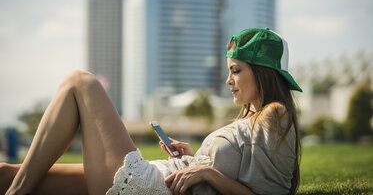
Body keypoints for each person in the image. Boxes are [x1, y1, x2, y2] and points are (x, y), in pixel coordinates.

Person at [0, 28, 302, 195]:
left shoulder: (277, 115)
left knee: (80, 82)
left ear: (263, 73)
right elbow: (235, 170)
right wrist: (193, 157)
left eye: (236, 70)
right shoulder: (254, 117)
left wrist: (208, 171)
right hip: (163, 174)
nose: (228, 81)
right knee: (5, 173)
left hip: (153, 187)